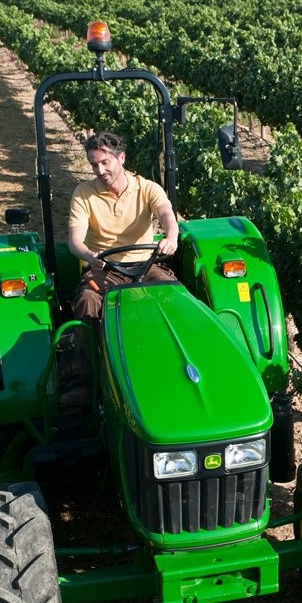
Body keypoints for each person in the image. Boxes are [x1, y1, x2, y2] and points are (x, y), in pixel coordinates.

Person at [59, 130, 180, 407]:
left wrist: (171, 237)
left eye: (104, 162)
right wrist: (90, 255)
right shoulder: (84, 194)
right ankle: (83, 382)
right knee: (88, 301)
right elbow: (75, 240)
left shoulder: (147, 188)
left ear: (121, 158)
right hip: (104, 267)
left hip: (145, 264)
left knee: (174, 295)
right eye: (93, 165)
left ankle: (177, 367)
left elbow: (165, 215)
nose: (99, 170)